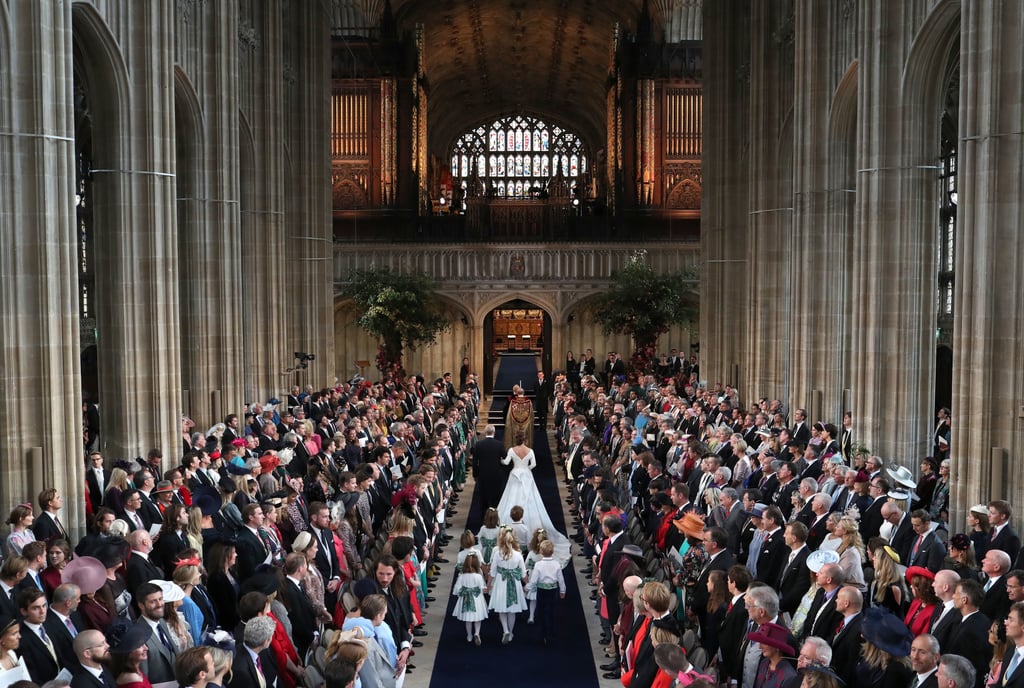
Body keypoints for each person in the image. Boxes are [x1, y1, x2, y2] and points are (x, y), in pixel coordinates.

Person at [496, 430, 571, 565]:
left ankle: (512, 525)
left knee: (511, 498)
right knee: (530, 500)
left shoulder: (512, 450)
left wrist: (500, 459)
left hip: (515, 475)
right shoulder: (529, 451)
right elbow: (534, 464)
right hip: (526, 474)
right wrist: (526, 468)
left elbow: (506, 463)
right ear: (524, 439)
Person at [488, 527, 528, 645]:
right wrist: (528, 584)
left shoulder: (497, 554)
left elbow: (492, 572)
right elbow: (523, 574)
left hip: (501, 583)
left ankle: (505, 629)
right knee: (512, 611)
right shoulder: (518, 555)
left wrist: (488, 585)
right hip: (514, 584)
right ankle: (510, 633)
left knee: (501, 608)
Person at [524, 539, 565, 644]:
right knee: (550, 610)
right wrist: (563, 590)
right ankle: (550, 632)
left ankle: (543, 633)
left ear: (541, 551)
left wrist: (527, 588)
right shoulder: (556, 564)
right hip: (552, 590)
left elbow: (534, 580)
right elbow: (561, 579)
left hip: (541, 590)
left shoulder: (538, 565)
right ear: (553, 551)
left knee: (541, 611)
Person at [451, 551, 488, 645]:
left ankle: (469, 635)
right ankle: (477, 633)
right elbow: (482, 588)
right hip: (477, 599)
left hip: (465, 599)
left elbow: (457, 589)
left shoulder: (462, 576)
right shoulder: (478, 576)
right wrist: (486, 589)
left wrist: (463, 592)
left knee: (468, 619)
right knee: (478, 618)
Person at [105, 617, 153, 688]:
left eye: (144, 644)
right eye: (139, 645)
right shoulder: (132, 680)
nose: (146, 648)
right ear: (127, 652)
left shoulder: (134, 669)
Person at [747, 622, 797, 688]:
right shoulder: (764, 663)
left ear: (777, 647)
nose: (760, 647)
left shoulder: (789, 676)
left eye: (764, 643)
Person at [470, 425, 507, 510]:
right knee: (496, 496)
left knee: (483, 498)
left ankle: (484, 517)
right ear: (494, 433)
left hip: (483, 475)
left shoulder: (478, 445)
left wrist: (475, 475)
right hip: (496, 475)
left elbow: (475, 462)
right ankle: (494, 514)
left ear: (485, 432)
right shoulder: (499, 444)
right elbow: (505, 458)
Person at [0, 614, 31, 687]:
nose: (19, 636)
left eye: (18, 632)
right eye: (14, 634)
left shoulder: (11, 653)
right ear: (1, 640)